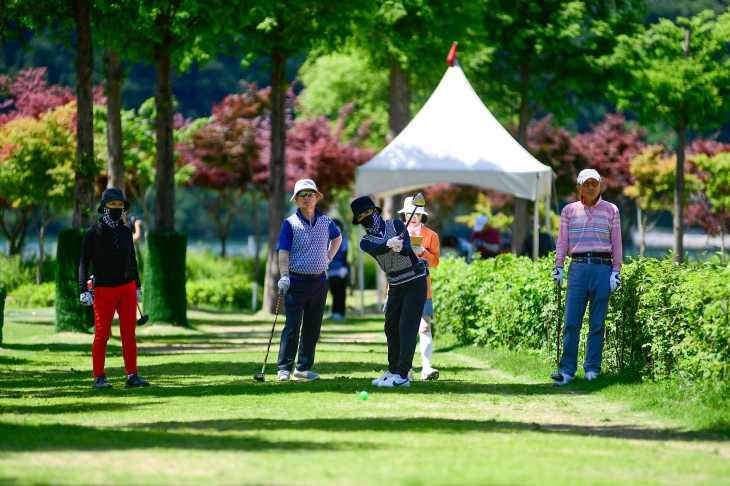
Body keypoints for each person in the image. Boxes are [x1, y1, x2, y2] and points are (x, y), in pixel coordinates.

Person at [552, 169, 622, 386]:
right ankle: (567, 371)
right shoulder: (569, 211)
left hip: (603, 267)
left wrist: (616, 271)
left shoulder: (612, 210)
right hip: (578, 268)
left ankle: (592, 368)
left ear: (600, 185)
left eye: (595, 183)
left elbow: (617, 242)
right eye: (587, 184)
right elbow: (563, 242)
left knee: (597, 323)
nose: (591, 187)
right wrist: (559, 266)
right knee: (571, 322)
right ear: (579, 187)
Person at [351, 196, 428, 388]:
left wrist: (400, 246)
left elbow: (408, 251)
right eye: (361, 216)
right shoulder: (365, 241)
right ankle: (393, 370)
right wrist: (388, 244)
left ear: (376, 212)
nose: (366, 218)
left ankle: (402, 376)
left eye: (368, 213)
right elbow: (377, 249)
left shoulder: (395, 224)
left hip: (414, 282)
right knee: (391, 328)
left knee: (406, 328)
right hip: (395, 285)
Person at [79, 188, 148, 389]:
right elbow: (84, 262)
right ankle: (99, 377)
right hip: (104, 289)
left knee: (129, 335)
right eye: (113, 205)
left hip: (127, 288)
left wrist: (138, 285)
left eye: (120, 205)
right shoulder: (93, 233)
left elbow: (132, 260)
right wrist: (83, 289)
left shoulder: (126, 231)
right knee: (102, 335)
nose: (117, 208)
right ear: (104, 208)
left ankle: (132, 375)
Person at [276, 179, 342, 381]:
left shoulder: (326, 222)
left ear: (316, 197)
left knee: (312, 328)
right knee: (292, 327)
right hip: (296, 281)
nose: (306, 197)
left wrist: (329, 257)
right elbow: (283, 251)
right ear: (296, 199)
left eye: (310, 193)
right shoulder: (290, 223)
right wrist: (284, 275)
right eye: (302, 194)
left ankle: (302, 369)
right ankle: (284, 369)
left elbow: (337, 238)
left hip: (319, 281)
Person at [397, 197, 440, 381]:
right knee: (403, 327)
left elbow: (435, 262)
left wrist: (423, 252)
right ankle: (404, 368)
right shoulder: (398, 233)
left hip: (423, 286)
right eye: (409, 214)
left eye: (417, 214)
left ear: (422, 216)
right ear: (404, 215)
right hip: (401, 285)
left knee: (424, 326)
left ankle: (426, 367)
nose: (413, 218)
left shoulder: (431, 235)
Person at [327, 219, 349, 321]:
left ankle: (340, 313)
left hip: (340, 269)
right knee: (334, 291)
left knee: (340, 292)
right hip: (331, 270)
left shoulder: (343, 238)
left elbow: (345, 253)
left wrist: (344, 267)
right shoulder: (328, 239)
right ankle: (335, 312)